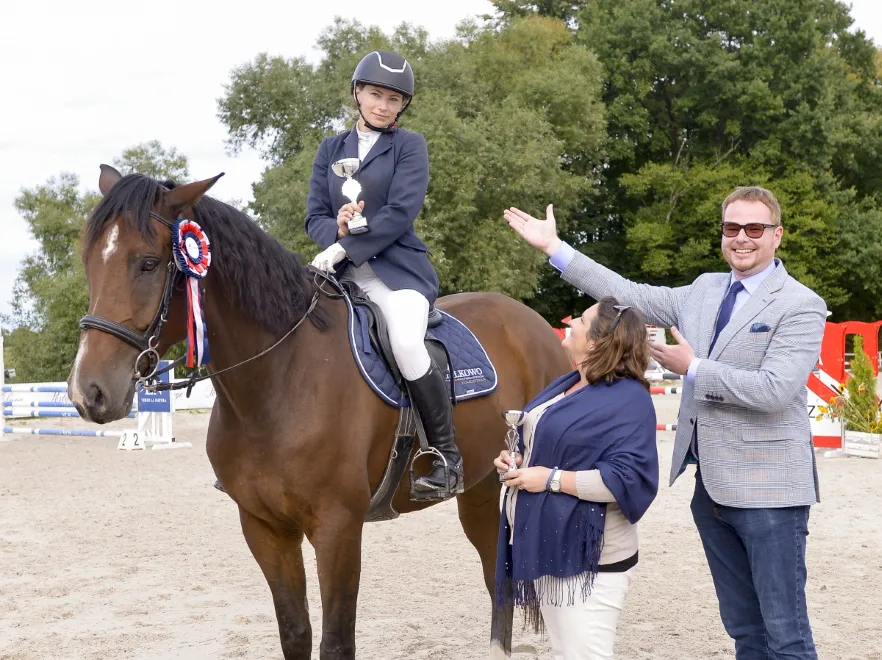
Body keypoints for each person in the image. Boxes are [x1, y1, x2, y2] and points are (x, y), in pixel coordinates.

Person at [504, 186, 827, 659]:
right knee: (744, 628)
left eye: (754, 229)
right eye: (731, 228)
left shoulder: (801, 304)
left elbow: (775, 389)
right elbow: (628, 294)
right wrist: (555, 248)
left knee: (786, 632)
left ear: (777, 235)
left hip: (770, 494)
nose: (741, 238)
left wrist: (693, 368)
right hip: (711, 493)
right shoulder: (703, 289)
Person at [305, 50, 461, 498]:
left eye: (394, 99)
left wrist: (344, 245)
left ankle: (447, 458)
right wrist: (334, 228)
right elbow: (313, 216)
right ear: (357, 93)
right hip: (341, 276)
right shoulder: (331, 149)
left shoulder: (410, 146)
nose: (383, 106)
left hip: (399, 275)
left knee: (408, 343)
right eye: (375, 94)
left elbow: (399, 213)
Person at [494, 297, 659, 660]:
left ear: (598, 342)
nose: (570, 322)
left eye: (581, 320)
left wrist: (550, 479)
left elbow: (629, 480)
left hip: (592, 559)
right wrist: (519, 460)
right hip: (551, 543)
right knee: (565, 651)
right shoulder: (568, 384)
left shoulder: (629, 399)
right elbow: (552, 444)